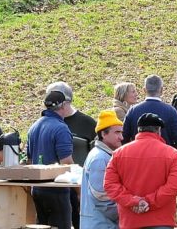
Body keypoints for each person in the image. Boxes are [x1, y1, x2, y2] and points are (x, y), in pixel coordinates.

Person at [104, 113, 177, 229]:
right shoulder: (172, 154)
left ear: (138, 130)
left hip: (130, 220)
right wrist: (149, 202)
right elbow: (175, 186)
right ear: (158, 131)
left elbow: (110, 185)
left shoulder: (119, 154)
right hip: (161, 220)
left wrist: (133, 201)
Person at [26, 87, 76, 229]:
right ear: (64, 106)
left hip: (37, 189)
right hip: (57, 190)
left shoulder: (34, 126)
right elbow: (66, 163)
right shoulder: (61, 128)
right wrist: (79, 187)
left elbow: (29, 161)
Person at [53, 81, 95, 228]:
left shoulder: (88, 123)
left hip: (80, 187)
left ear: (66, 102)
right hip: (53, 187)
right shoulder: (47, 123)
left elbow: (94, 157)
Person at [80, 110, 124, 229]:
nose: (121, 137)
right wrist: (125, 213)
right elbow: (103, 198)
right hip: (100, 224)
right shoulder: (99, 159)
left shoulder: (103, 155)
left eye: (121, 132)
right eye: (117, 133)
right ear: (103, 134)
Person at [123, 75, 177, 152]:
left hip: (137, 155)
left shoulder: (133, 111)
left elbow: (124, 136)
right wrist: (174, 153)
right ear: (161, 90)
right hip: (164, 156)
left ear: (144, 90)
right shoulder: (170, 111)